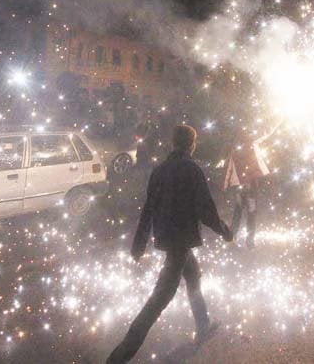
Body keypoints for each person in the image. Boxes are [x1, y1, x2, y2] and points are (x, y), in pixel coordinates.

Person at [106, 125, 233, 364]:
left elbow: (148, 209)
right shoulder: (193, 170)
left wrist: (139, 244)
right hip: (180, 241)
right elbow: (207, 211)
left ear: (174, 144)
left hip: (169, 239)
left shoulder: (160, 170)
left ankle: (203, 326)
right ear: (192, 144)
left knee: (194, 276)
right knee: (159, 299)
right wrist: (225, 232)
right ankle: (118, 357)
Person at [222, 124, 280, 248]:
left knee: (238, 211)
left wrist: (226, 184)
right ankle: (249, 240)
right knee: (251, 213)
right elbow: (266, 133)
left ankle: (233, 235)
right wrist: (277, 123)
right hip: (250, 185)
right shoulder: (252, 145)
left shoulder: (235, 151)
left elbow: (229, 170)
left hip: (239, 186)